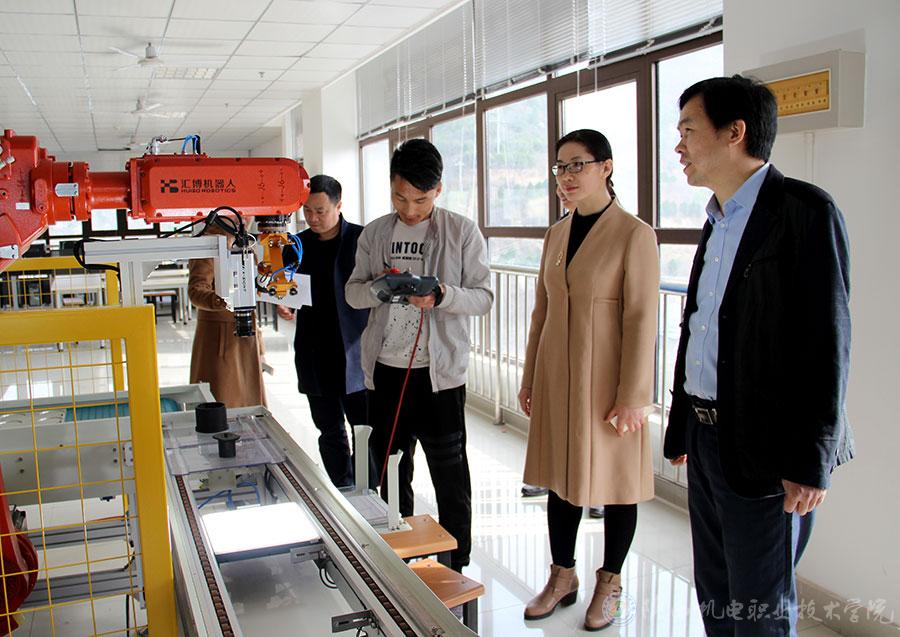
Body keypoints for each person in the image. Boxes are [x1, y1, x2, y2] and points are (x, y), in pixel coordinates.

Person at [663, 75, 853, 636]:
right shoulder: (717, 218)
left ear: (734, 133)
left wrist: (810, 462)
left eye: (688, 131)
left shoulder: (804, 212)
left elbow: (828, 344)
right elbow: (702, 328)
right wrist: (683, 425)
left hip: (767, 445)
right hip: (708, 439)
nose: (678, 146)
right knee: (717, 593)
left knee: (760, 607)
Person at [519, 129, 659, 630]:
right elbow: (541, 312)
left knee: (618, 484)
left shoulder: (634, 234)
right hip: (558, 377)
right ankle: (562, 577)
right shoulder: (556, 235)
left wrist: (633, 396)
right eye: (560, 167)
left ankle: (610, 582)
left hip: (608, 386)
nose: (566, 176)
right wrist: (530, 376)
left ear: (606, 167)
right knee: (560, 479)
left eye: (577, 164)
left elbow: (642, 318)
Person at [345, 138, 493, 572]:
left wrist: (442, 295)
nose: (409, 209)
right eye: (400, 197)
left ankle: (456, 563)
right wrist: (379, 288)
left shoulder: (462, 232)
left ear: (438, 190)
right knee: (391, 471)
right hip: (385, 373)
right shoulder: (375, 233)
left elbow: (483, 297)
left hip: (439, 378)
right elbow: (353, 293)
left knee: (450, 474)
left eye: (421, 200)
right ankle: (400, 560)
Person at [276, 174, 376, 489]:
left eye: (320, 210)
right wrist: (285, 306)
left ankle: (369, 491)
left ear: (338, 205)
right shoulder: (296, 245)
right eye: (307, 210)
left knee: (365, 429)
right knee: (329, 430)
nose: (313, 218)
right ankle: (342, 490)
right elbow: (285, 290)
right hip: (314, 351)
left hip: (355, 352)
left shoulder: (362, 240)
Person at [188, 221, 266, 408]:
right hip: (219, 338)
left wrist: (260, 346)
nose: (246, 216)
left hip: (246, 330)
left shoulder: (245, 241)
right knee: (220, 402)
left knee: (248, 404)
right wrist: (221, 300)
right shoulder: (208, 243)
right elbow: (196, 290)